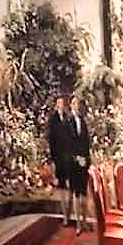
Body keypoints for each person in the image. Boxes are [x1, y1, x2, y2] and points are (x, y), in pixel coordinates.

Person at [47, 95, 74, 225]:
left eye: (62, 103)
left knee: (71, 186)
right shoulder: (53, 119)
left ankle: (69, 212)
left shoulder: (68, 119)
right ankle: (65, 216)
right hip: (59, 157)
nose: (61, 105)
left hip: (69, 157)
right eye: (59, 103)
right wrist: (53, 158)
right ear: (56, 105)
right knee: (62, 185)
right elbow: (51, 139)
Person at [69, 96, 92, 234]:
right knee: (76, 194)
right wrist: (76, 157)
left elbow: (87, 143)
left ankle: (84, 221)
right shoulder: (68, 122)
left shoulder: (83, 122)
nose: (77, 106)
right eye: (75, 104)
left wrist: (86, 159)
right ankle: (78, 223)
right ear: (71, 106)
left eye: (78, 104)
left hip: (84, 163)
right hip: (73, 163)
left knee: (84, 193)